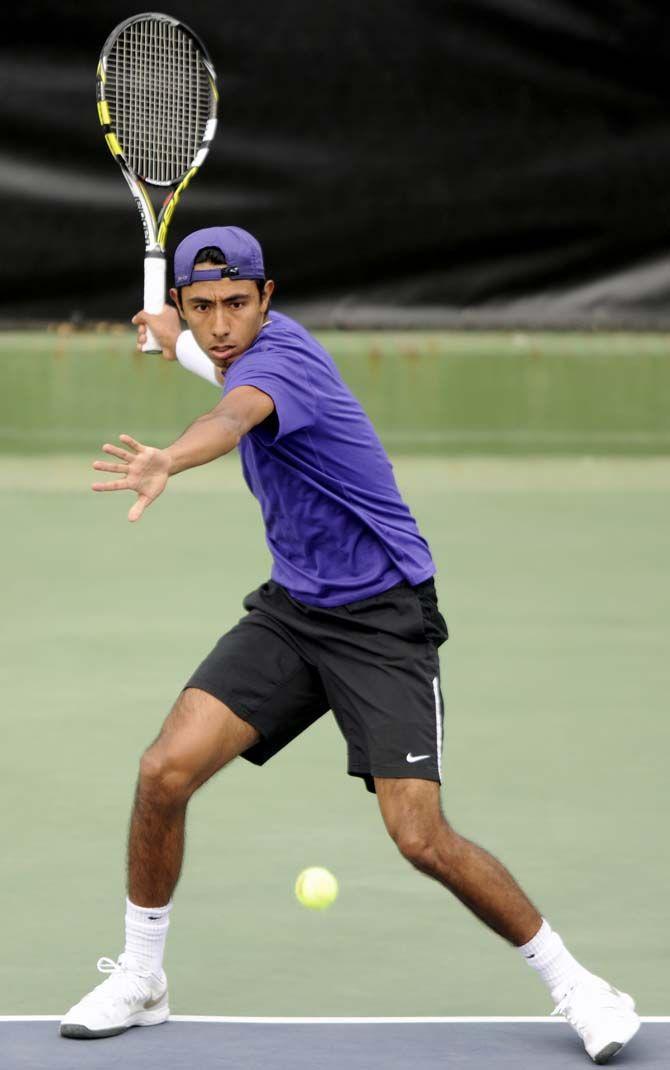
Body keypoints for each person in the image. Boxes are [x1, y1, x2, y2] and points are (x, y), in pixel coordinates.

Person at [60, 226, 640, 1062]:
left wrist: (170, 460)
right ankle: (142, 976)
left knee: (421, 838)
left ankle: (578, 986)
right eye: (203, 308)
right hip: (295, 613)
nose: (221, 324)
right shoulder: (217, 342)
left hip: (382, 621)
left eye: (236, 304)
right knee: (164, 771)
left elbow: (232, 414)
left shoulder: (280, 363)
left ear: (268, 298)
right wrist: (167, 335)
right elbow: (210, 363)